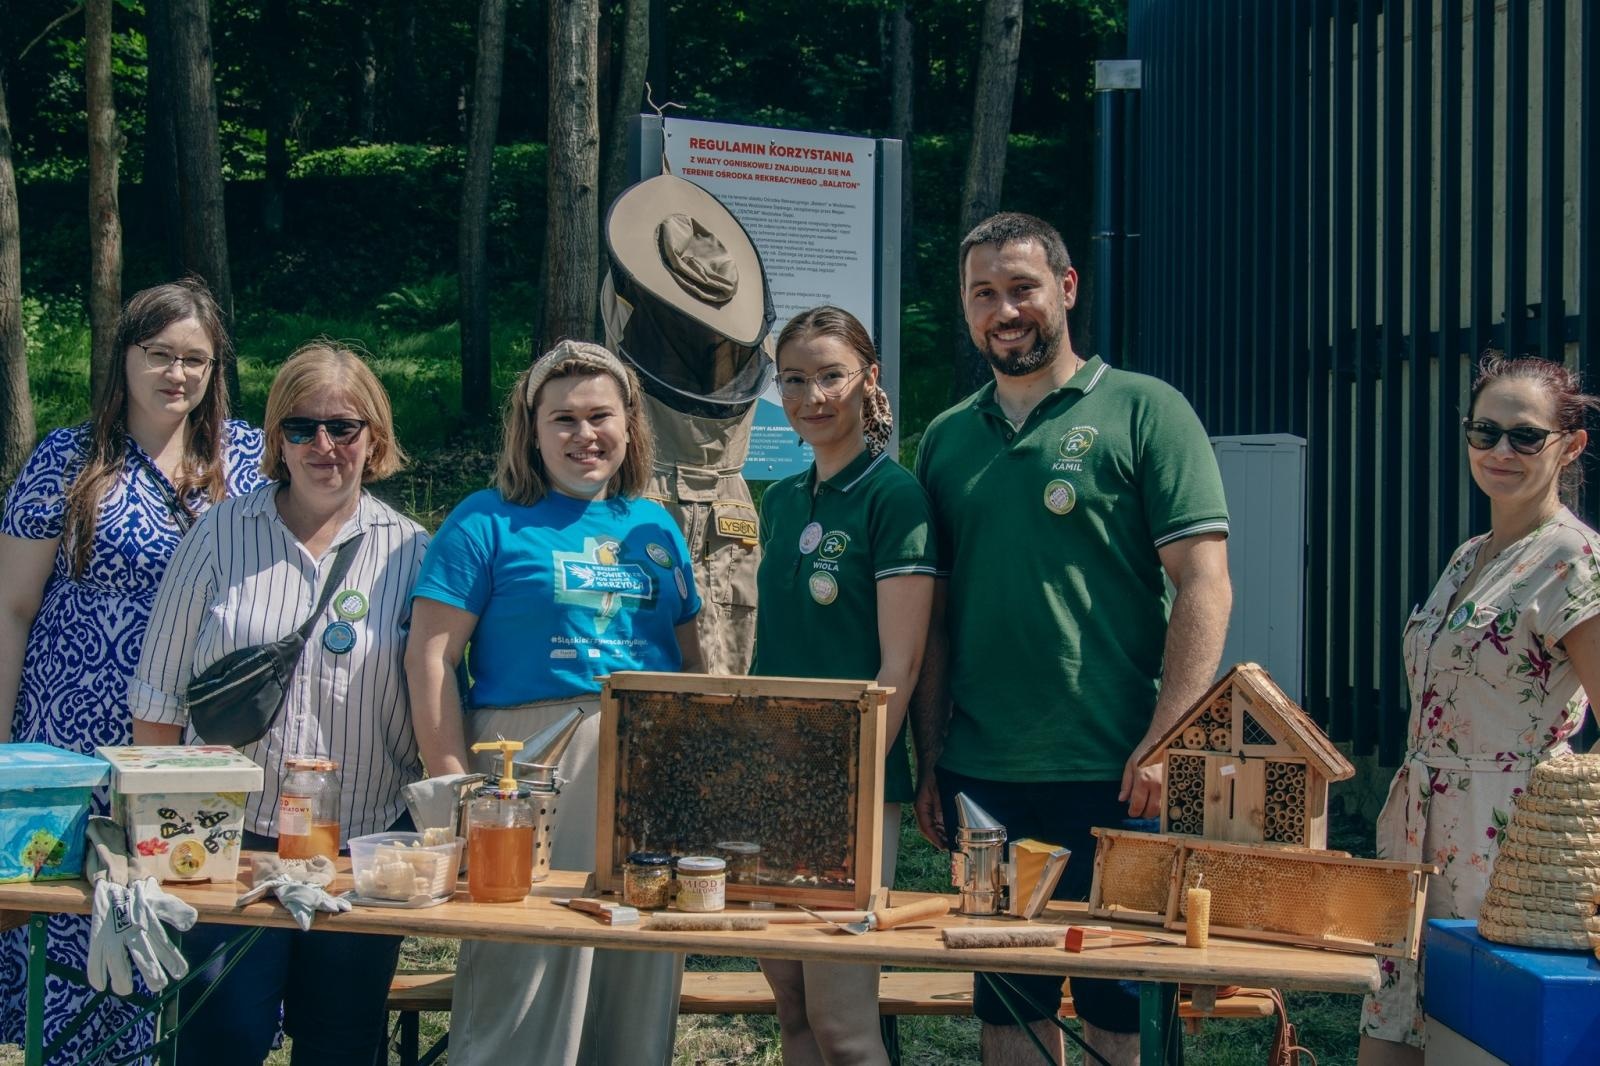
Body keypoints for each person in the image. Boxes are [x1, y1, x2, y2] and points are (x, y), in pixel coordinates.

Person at [910, 213, 1232, 1066]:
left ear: (1066, 289)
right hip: (986, 774)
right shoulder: (944, 439)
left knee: (1117, 1009)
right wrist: (929, 753)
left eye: (1022, 287)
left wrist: (1169, 738)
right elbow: (932, 618)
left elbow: (1204, 583)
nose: (1004, 309)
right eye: (985, 293)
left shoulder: (1145, 410)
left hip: (1117, 770)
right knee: (1007, 1003)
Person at [129, 342, 428, 1065]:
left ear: (376, 439)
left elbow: (436, 696)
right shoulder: (221, 533)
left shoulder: (414, 550)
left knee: (344, 1044)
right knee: (219, 1040)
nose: (323, 445)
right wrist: (151, 841)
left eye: (344, 428)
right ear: (276, 442)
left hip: (360, 847)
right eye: (301, 429)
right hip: (230, 843)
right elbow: (160, 692)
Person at [406, 339, 704, 1066]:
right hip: (529, 761)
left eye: (600, 415)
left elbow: (691, 661)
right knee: (531, 976)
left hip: (647, 763)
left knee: (637, 967)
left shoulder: (655, 526)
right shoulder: (487, 520)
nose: (583, 434)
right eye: (562, 419)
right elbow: (431, 657)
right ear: (530, 430)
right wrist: (451, 789)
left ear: (630, 424)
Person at [0, 278, 265, 1064]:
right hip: (72, 734)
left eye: (195, 359)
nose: (176, 375)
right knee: (84, 929)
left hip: (193, 738)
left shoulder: (246, 458)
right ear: (123, 359)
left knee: (183, 922)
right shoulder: (68, 456)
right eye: (158, 355)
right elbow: (12, 607)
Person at [1357, 353, 1600, 1066]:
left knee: (1479, 1044)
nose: (1500, 451)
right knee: (1392, 1035)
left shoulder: (1574, 562)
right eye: (1484, 432)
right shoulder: (1469, 556)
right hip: (1418, 838)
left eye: (1525, 436)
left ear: (1570, 445)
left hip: (1515, 848)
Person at [751, 306, 936, 1065]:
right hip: (766, 776)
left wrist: (849, 782)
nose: (811, 397)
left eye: (830, 375)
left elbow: (902, 663)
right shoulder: (780, 500)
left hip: (848, 787)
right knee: (790, 1005)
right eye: (794, 379)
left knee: (845, 1026)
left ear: (869, 379)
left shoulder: (894, 497)